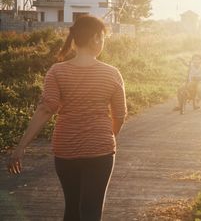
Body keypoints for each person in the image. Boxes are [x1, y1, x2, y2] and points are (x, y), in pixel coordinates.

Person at [7, 15, 127, 221]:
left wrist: (21, 146)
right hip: (100, 150)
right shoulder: (111, 73)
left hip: (66, 149)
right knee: (91, 211)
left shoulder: (57, 71)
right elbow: (120, 114)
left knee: (72, 209)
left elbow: (46, 109)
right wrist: (108, 137)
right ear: (95, 39)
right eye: (103, 37)